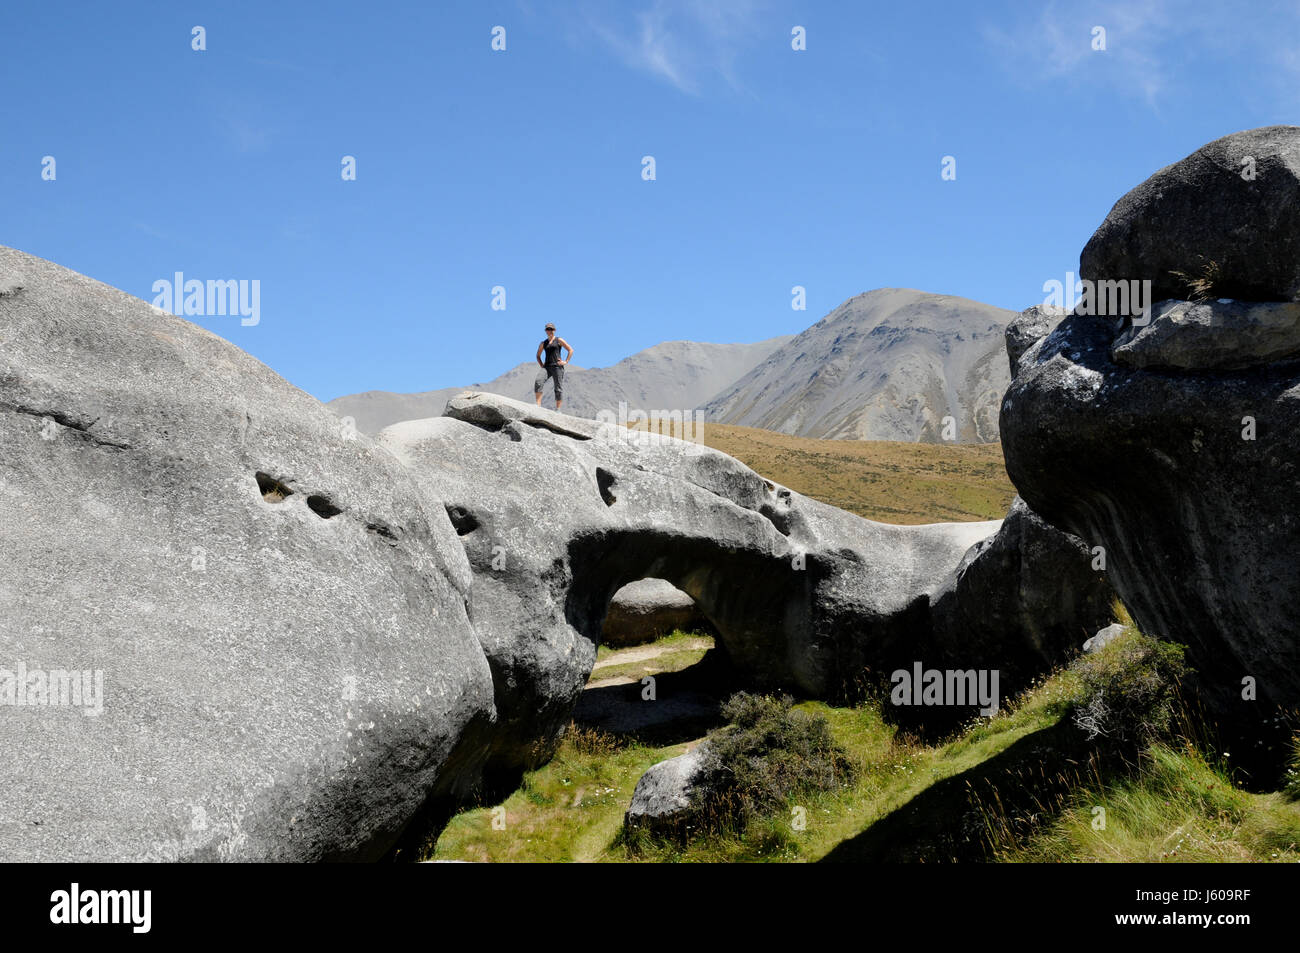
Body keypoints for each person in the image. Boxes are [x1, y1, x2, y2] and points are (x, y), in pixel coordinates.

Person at [534, 322, 573, 411]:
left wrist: (566, 361)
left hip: (557, 367)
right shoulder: (543, 343)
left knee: (558, 388)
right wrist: (542, 365)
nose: (549, 331)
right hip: (547, 367)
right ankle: (538, 406)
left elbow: (570, 350)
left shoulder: (559, 340)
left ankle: (558, 409)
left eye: (551, 329)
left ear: (554, 330)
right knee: (538, 381)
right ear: (545, 331)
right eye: (548, 329)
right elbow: (538, 355)